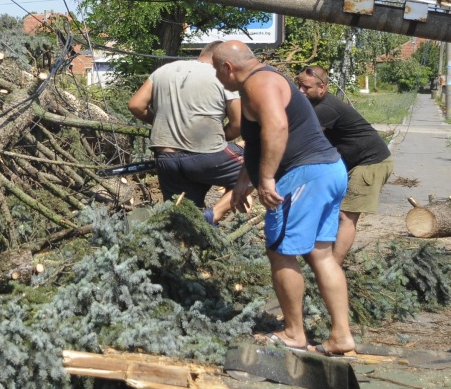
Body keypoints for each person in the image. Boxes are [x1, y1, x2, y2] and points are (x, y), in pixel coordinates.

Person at [212, 41, 354, 355]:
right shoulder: (268, 78)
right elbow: (257, 141)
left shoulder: (258, 83)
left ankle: (293, 332)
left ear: (227, 68)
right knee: (321, 254)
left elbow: (276, 127)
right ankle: (341, 336)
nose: (219, 80)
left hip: (303, 176)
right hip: (328, 171)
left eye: (217, 73)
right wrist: (242, 183)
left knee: (280, 252)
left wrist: (265, 179)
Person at [128, 41, 244, 224]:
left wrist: (160, 122)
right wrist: (221, 137)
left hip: (167, 160)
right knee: (258, 167)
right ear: (224, 61)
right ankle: (214, 214)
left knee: (185, 220)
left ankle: (190, 243)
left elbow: (135, 104)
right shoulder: (222, 77)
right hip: (207, 157)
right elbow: (238, 124)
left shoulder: (164, 71)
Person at [295, 65, 394, 265]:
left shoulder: (326, 109)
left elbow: (301, 137)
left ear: (322, 87)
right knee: (331, 208)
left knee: (346, 216)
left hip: (371, 163)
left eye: (306, 87)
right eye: (299, 86)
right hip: (352, 163)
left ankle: (334, 266)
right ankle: (322, 257)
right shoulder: (314, 105)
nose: (300, 91)